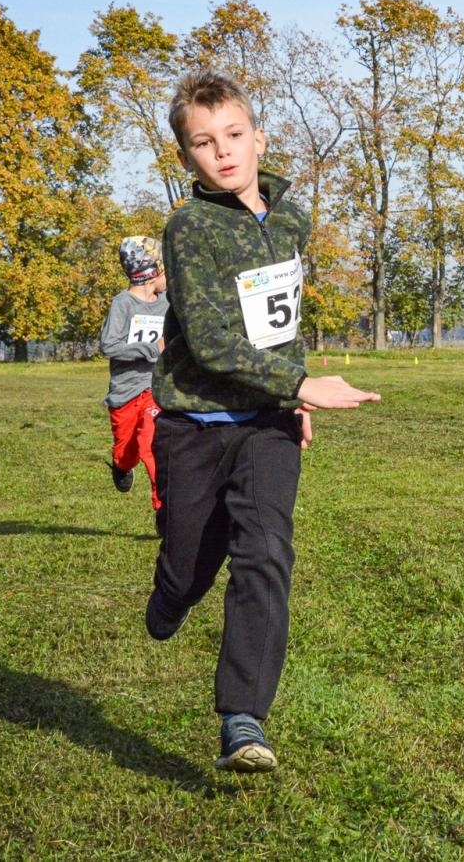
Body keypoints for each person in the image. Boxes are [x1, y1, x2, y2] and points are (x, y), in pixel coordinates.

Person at [147, 70, 380, 773]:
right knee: (191, 562)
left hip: (266, 425)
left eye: (234, 136)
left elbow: (282, 322)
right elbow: (215, 343)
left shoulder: (292, 219)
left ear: (259, 138)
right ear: (187, 157)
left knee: (267, 551)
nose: (223, 152)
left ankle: (242, 719)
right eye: (203, 143)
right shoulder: (188, 229)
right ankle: (171, 594)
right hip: (193, 424)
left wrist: (290, 399)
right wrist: (303, 383)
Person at [99, 236, 169, 518]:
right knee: (127, 452)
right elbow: (108, 346)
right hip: (125, 392)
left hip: (155, 388)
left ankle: (164, 510)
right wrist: (152, 349)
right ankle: (121, 465)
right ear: (153, 273)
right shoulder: (122, 304)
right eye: (166, 269)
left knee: (152, 444)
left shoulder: (167, 302)